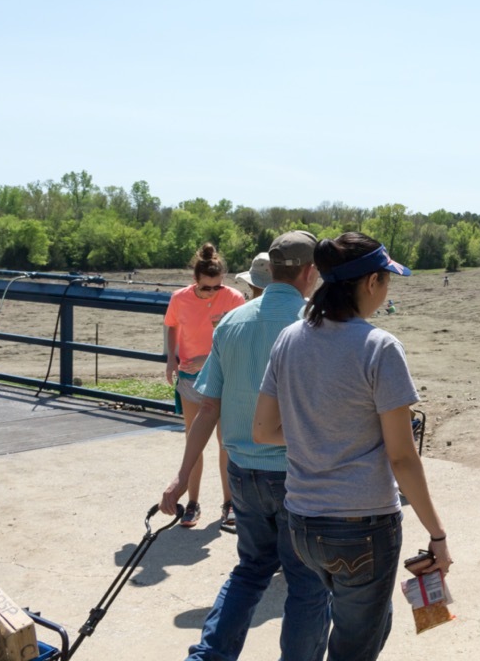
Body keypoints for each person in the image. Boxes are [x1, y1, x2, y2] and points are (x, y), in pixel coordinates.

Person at [252, 233, 451, 660]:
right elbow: (402, 457)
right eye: (387, 280)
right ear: (372, 282)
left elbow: (264, 430)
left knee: (352, 623)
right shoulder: (380, 348)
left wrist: (319, 432)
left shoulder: (289, 338)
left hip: (303, 522)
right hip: (363, 527)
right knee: (357, 645)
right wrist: (437, 534)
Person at [160, 231, 328, 661]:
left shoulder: (232, 323)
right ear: (310, 272)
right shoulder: (317, 323)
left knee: (251, 570)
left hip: (243, 473)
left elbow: (207, 408)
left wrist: (182, 476)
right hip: (298, 475)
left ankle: (209, 656)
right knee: (307, 582)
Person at [164, 242, 246, 529]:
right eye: (206, 287)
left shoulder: (234, 298)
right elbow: (171, 325)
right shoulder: (180, 298)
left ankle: (229, 503)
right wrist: (171, 359)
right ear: (195, 280)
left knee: (226, 442)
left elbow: (240, 339)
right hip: (190, 378)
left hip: (225, 377)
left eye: (217, 287)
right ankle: (193, 503)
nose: (212, 292)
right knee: (194, 442)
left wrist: (207, 358)